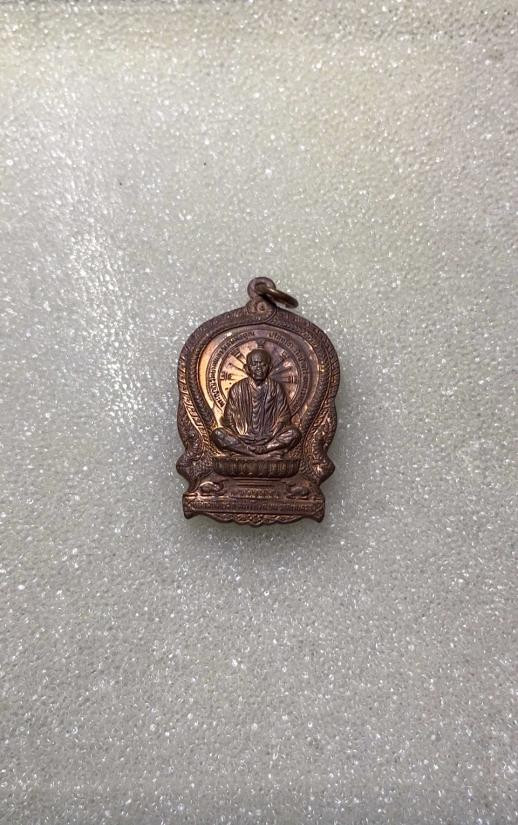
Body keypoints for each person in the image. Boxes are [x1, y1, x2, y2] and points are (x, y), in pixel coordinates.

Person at [211, 348, 301, 457]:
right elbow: (229, 418)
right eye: (254, 364)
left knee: (294, 433)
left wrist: (272, 435)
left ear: (270, 367)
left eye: (263, 365)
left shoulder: (276, 387)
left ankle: (263, 450)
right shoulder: (237, 389)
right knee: (217, 434)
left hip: (270, 438)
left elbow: (284, 416)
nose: (259, 368)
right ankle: (254, 453)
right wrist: (238, 435)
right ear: (247, 368)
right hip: (243, 439)